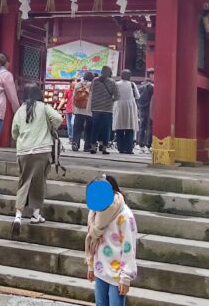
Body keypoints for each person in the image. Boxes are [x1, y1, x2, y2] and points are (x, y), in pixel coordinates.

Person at [10, 83, 63, 235]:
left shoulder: (20, 110)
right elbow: (58, 119)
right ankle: (35, 214)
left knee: (24, 182)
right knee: (39, 182)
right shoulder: (44, 107)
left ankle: (18, 216)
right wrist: (51, 128)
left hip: (24, 151)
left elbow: (14, 132)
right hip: (42, 149)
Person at [85, 174, 138, 305]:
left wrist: (125, 278)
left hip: (117, 273)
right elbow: (93, 239)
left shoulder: (124, 215)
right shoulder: (96, 211)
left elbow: (129, 247)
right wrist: (91, 266)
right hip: (100, 268)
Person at [89, 66, 118, 154]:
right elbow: (116, 95)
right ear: (109, 73)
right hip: (107, 109)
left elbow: (91, 91)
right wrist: (111, 100)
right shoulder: (112, 82)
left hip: (96, 108)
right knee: (106, 129)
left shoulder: (95, 80)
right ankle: (104, 148)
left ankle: (93, 147)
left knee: (95, 128)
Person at [112, 70, 139, 154]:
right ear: (129, 76)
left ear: (121, 76)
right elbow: (137, 96)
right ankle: (129, 149)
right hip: (130, 107)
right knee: (129, 128)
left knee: (119, 128)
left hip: (119, 106)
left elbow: (113, 96)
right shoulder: (132, 84)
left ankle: (120, 148)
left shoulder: (116, 84)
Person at [71, 72, 94, 151]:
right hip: (89, 110)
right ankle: (87, 146)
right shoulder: (92, 85)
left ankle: (75, 143)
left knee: (77, 128)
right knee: (89, 129)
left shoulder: (78, 84)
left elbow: (74, 96)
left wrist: (73, 109)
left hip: (78, 110)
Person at [135, 69, 154, 153]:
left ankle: (140, 144)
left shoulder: (141, 85)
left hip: (141, 108)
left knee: (141, 126)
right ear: (151, 75)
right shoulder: (151, 86)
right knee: (149, 126)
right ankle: (148, 145)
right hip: (149, 108)